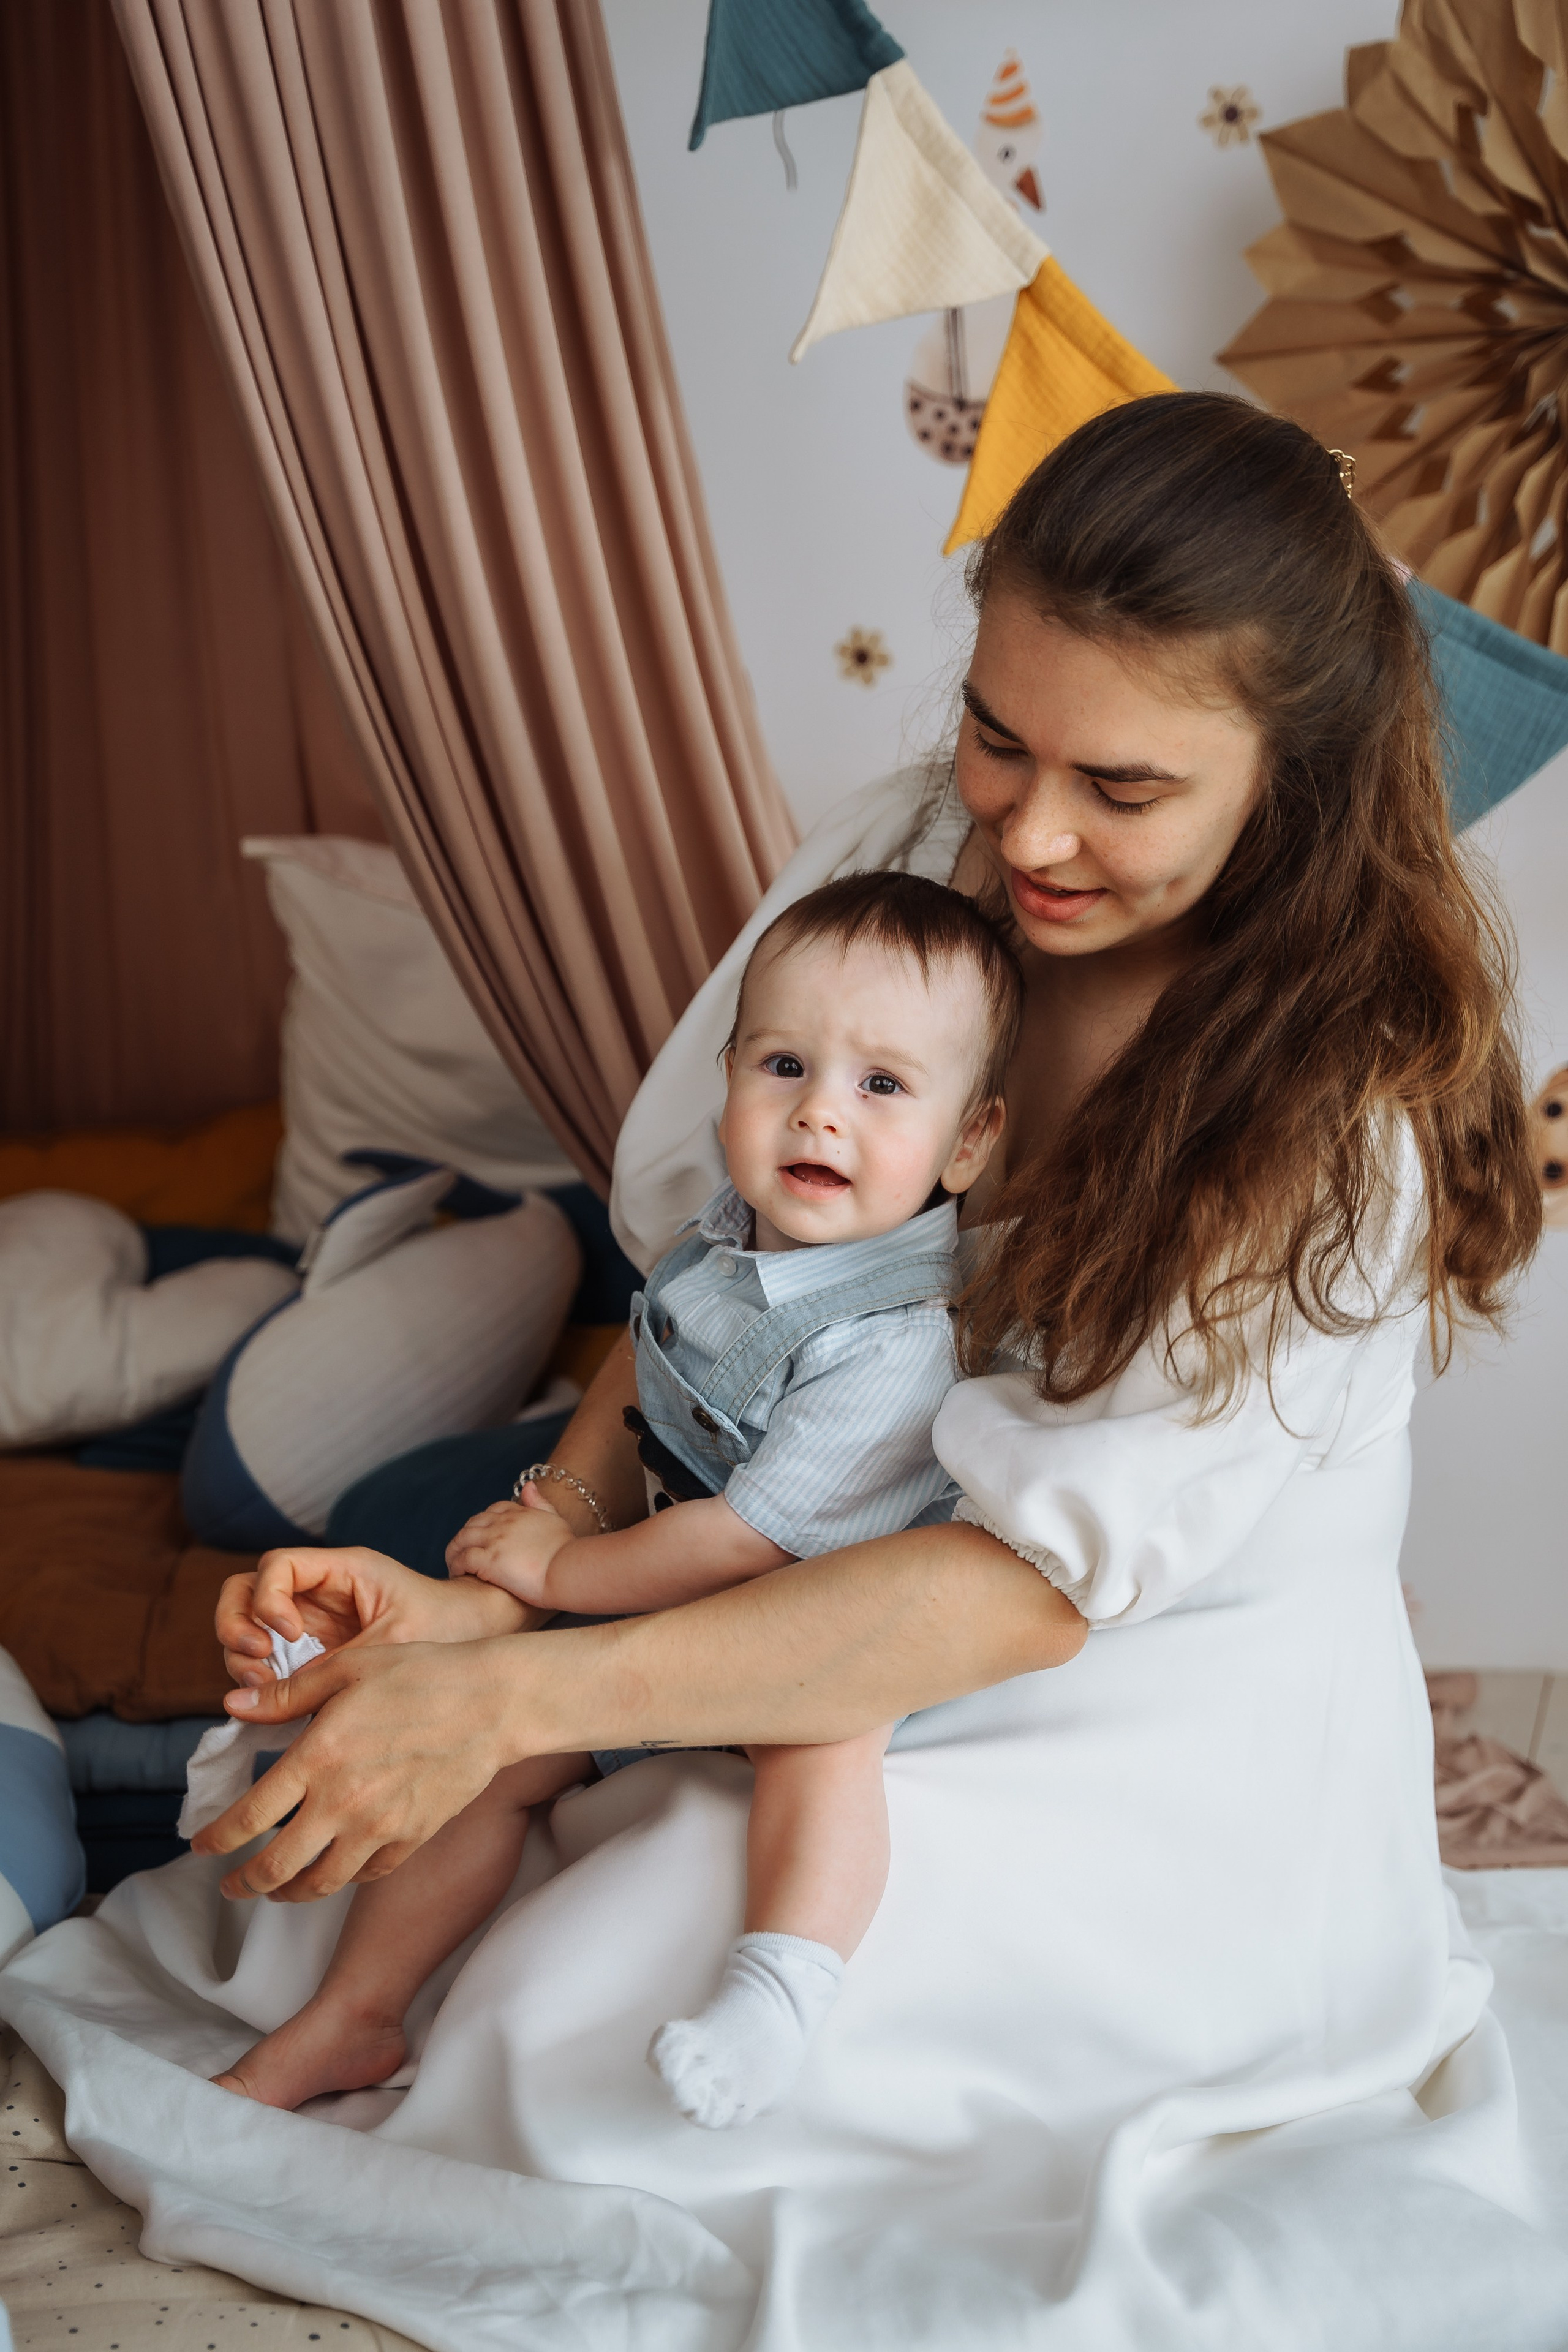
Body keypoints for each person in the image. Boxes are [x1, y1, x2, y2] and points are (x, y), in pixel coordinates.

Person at [179, 391, 1549, 2337]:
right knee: (410, 1808)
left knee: (616, 1993)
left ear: (1293, 779)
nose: (1031, 829)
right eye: (1000, 735)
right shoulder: (918, 865)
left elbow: (1016, 1590)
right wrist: (539, 1549)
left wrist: (525, 1682)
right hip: (821, 1557)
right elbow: (714, 1283)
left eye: (1123, 787)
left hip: (1124, 1695)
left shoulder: (1326, 1127)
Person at [210, 870, 1020, 2125]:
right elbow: (642, 1390)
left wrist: (557, 1574)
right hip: (673, 1592)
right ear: (728, 1081)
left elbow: (749, 1543)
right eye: (784, 1066)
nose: (819, 1113)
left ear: (968, 1142)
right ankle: (353, 2018)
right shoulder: (723, 1238)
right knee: (489, 1761)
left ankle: (780, 1989)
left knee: (826, 1744)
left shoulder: (894, 1341)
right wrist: (550, 1531)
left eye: (882, 1086)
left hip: (818, 1626)